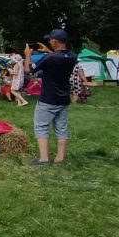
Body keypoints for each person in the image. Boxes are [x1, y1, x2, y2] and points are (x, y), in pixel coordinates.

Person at [25, 29, 78, 166]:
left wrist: (27, 55)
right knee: (61, 127)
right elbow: (60, 57)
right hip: (64, 97)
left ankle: (44, 159)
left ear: (55, 41)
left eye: (50, 39)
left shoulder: (50, 58)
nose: (49, 41)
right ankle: (60, 158)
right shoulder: (73, 56)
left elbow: (29, 70)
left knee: (41, 126)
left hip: (48, 98)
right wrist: (49, 50)